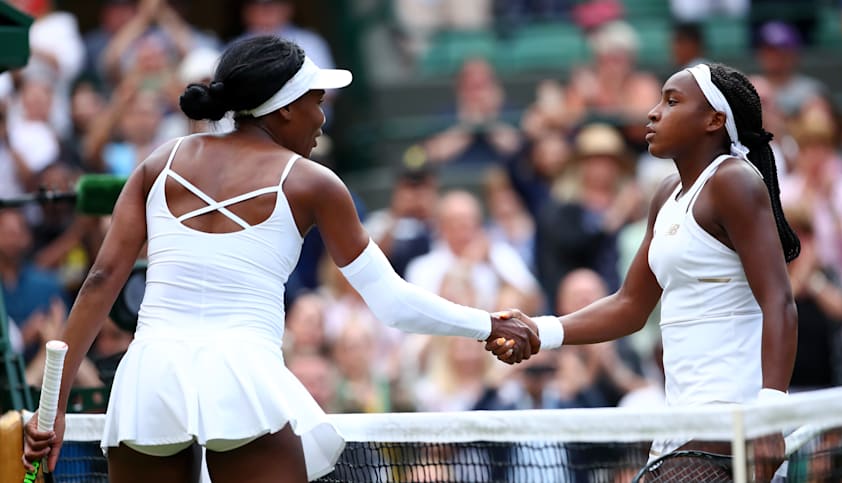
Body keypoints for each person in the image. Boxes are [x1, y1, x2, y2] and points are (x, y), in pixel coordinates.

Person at [22, 36, 540, 483]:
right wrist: (485, 323)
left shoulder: (158, 163)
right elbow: (390, 300)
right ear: (285, 107)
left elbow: (100, 282)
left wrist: (53, 409)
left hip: (148, 383)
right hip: (243, 383)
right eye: (317, 101)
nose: (322, 116)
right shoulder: (313, 182)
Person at [488, 63, 801, 480]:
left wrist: (769, 413)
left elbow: (779, 300)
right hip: (681, 421)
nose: (653, 113)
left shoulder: (734, 181)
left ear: (714, 120)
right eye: (657, 100)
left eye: (672, 102)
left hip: (733, 423)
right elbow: (630, 305)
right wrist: (541, 331)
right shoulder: (666, 194)